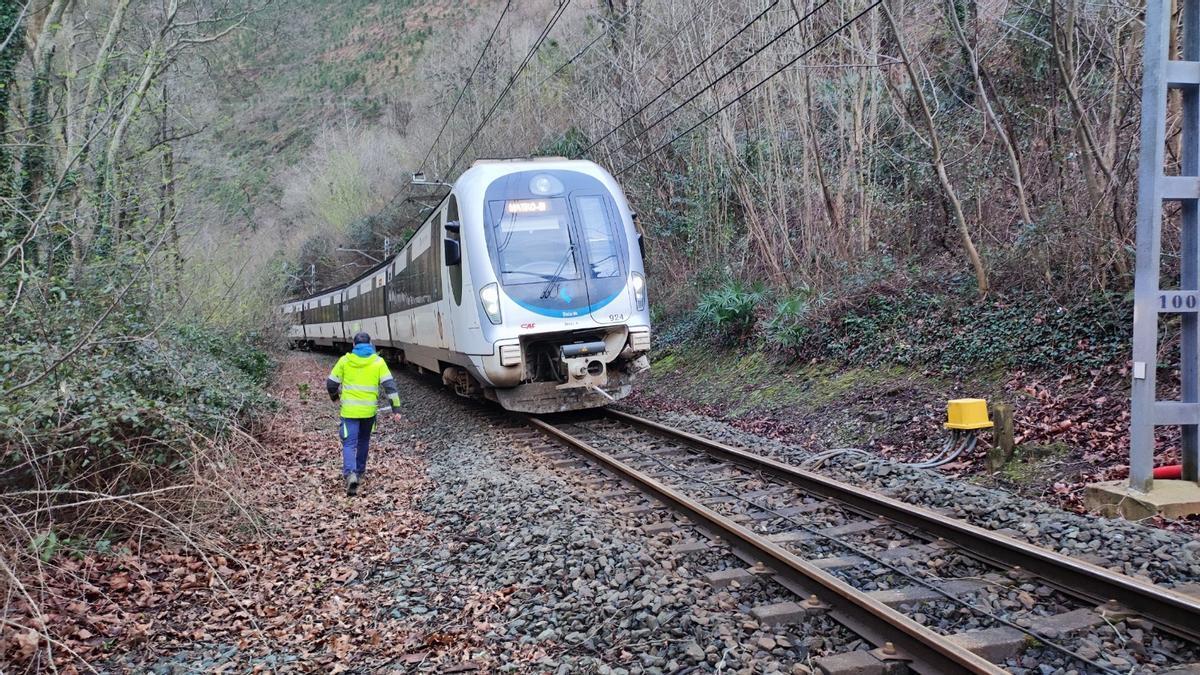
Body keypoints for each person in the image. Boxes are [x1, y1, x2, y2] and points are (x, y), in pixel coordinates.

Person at [325, 332, 401, 496]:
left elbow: (331, 383)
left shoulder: (345, 361)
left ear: (353, 345)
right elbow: (390, 387)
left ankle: (350, 473)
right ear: (371, 344)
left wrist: (334, 397)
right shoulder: (378, 362)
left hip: (350, 412)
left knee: (349, 443)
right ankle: (359, 471)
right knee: (364, 441)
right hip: (368, 412)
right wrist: (396, 409)